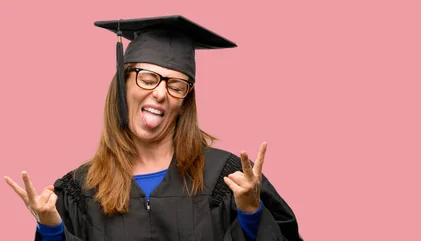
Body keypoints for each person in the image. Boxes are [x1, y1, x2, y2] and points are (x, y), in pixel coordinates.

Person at [3, 15, 302, 241]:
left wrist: (252, 214)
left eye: (176, 84)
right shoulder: (80, 191)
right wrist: (53, 231)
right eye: (147, 78)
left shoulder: (227, 180)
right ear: (123, 83)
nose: (160, 93)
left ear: (185, 100)